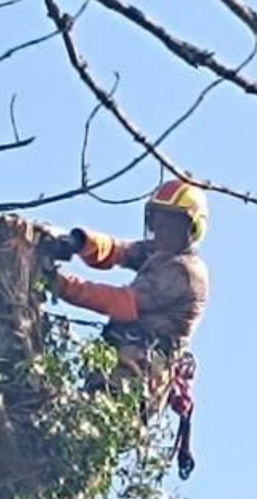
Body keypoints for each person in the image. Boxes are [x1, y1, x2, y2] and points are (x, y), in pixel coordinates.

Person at [46, 181, 210, 476]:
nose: (160, 229)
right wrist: (79, 242)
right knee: (73, 426)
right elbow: (118, 251)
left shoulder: (184, 272)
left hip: (140, 371)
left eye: (169, 223)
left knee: (88, 434)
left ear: (190, 228)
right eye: (157, 220)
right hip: (120, 358)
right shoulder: (159, 251)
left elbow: (123, 302)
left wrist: (62, 285)